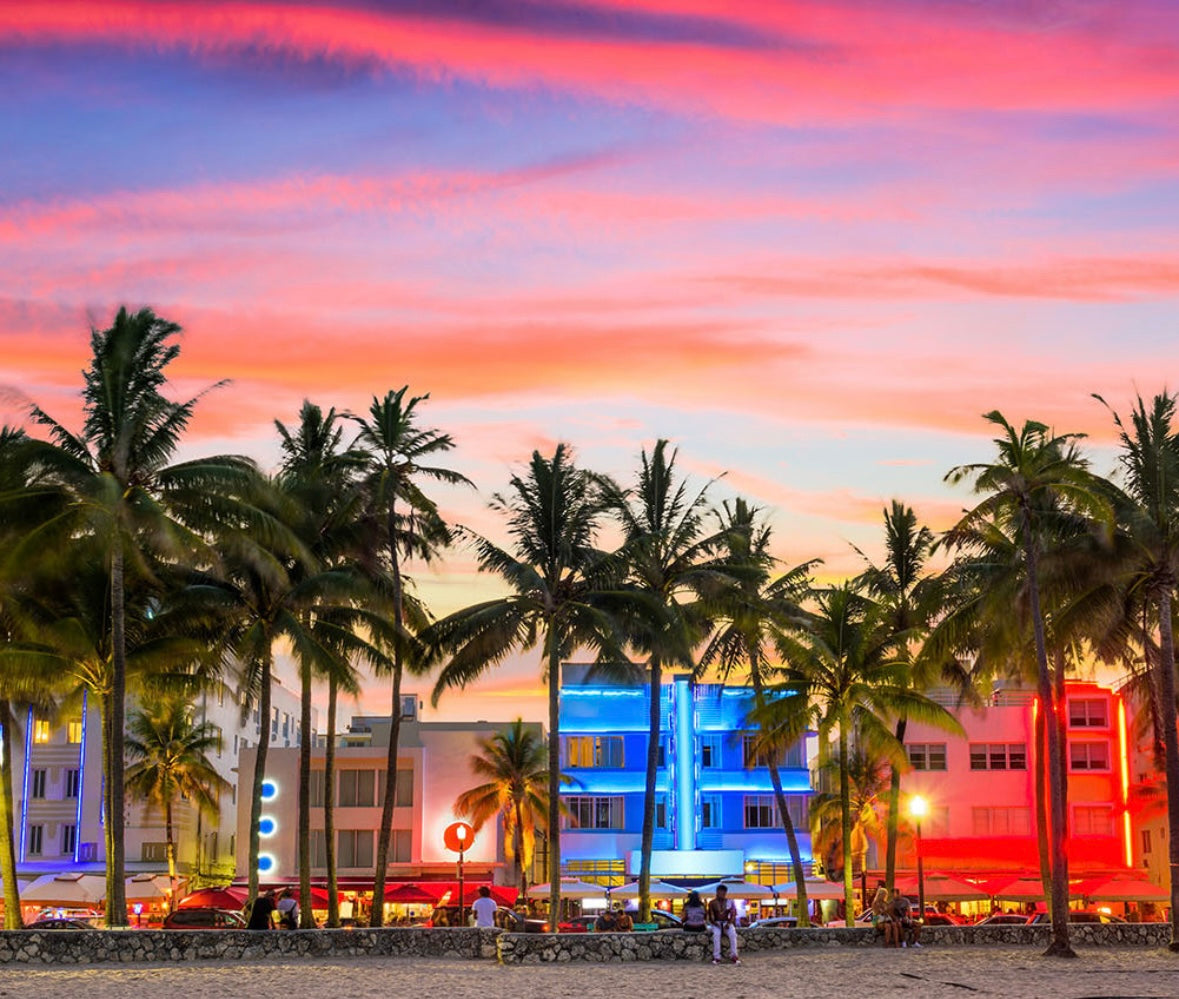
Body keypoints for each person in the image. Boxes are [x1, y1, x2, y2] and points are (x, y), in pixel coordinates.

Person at [707, 884, 739, 965]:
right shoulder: (712, 903)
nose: (722, 894)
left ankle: (734, 955)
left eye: (724, 892)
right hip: (716, 923)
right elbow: (711, 916)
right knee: (716, 935)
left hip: (726, 922)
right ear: (717, 892)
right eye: (720, 892)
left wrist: (728, 924)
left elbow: (733, 914)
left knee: (733, 934)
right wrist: (715, 923)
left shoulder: (730, 902)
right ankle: (717, 957)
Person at [871, 883, 895, 948]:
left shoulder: (885, 903)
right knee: (888, 926)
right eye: (883, 894)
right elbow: (877, 913)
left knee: (894, 925)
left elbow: (888, 913)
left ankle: (897, 942)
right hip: (877, 920)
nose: (884, 896)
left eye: (885, 895)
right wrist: (885, 910)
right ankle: (886, 943)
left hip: (885, 919)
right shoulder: (875, 903)